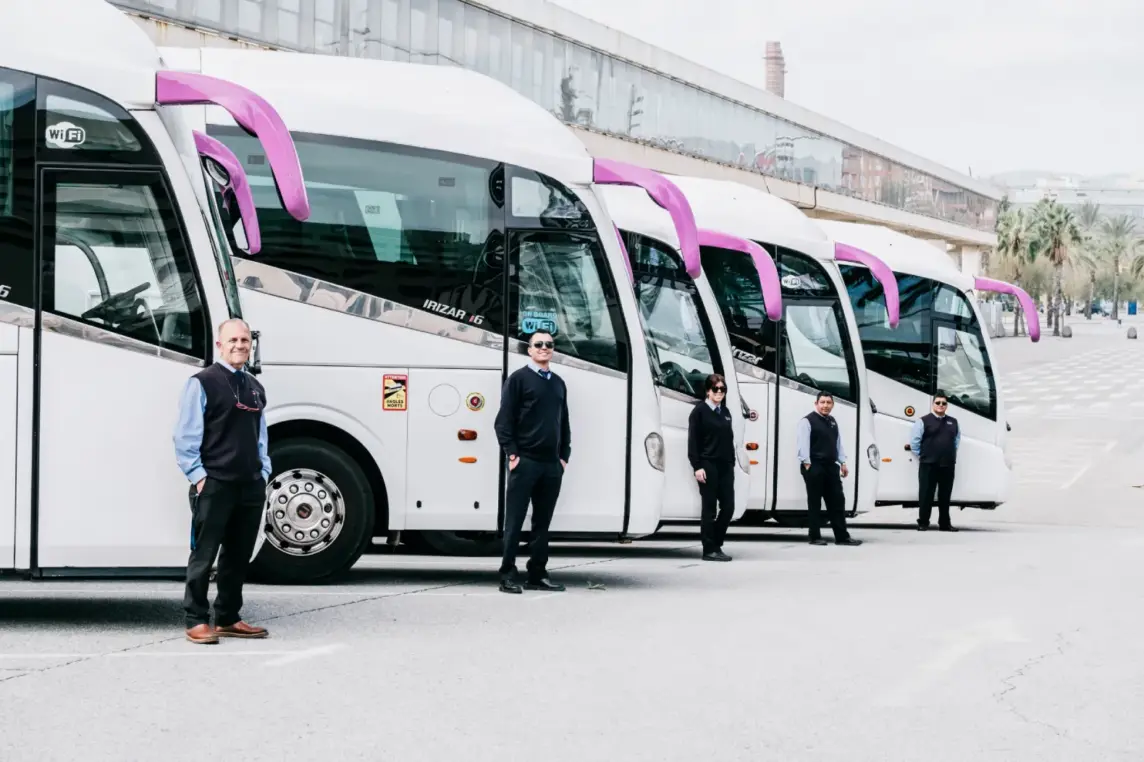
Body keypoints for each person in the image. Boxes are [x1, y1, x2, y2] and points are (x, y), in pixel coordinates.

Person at [173, 318, 271, 644]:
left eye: (245, 340)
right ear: (220, 345)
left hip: (250, 484)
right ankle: (196, 619)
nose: (240, 345)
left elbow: (261, 437)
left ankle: (228, 616)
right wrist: (200, 479)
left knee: (237, 556)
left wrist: (264, 473)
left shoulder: (255, 388)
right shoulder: (202, 383)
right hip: (215, 484)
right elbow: (185, 437)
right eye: (233, 340)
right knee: (204, 555)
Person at [493, 330, 571, 594]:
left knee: (542, 522)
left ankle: (537, 573)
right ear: (529, 350)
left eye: (548, 345)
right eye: (538, 344)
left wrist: (564, 457)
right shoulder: (518, 380)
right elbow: (503, 422)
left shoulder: (558, 383)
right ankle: (507, 575)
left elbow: (565, 422)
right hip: (524, 461)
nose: (544, 348)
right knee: (514, 521)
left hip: (551, 465)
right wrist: (513, 454)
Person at [796, 391, 862, 547]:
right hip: (814, 465)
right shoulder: (807, 421)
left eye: (828, 403)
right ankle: (814, 536)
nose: (825, 405)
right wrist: (807, 464)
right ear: (816, 404)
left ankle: (842, 537)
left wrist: (843, 462)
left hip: (831, 466)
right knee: (815, 502)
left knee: (837, 501)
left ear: (832, 405)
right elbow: (802, 444)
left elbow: (838, 443)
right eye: (822, 402)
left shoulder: (832, 421)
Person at [687, 373, 736, 561]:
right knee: (709, 508)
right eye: (716, 389)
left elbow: (729, 440)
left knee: (729, 506)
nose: (719, 393)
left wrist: (731, 462)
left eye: (723, 389)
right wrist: (697, 466)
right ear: (708, 391)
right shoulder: (699, 412)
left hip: (725, 465)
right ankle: (709, 549)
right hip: (707, 464)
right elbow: (693, 442)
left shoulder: (726, 412)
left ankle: (716, 542)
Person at [911, 391, 960, 532]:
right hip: (928, 464)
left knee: (945, 495)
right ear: (933, 404)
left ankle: (945, 524)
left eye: (943, 403)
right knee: (926, 494)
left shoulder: (953, 422)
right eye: (938, 403)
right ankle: (923, 522)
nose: (940, 405)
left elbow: (956, 441)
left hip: (948, 464)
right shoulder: (923, 421)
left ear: (947, 406)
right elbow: (915, 442)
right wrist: (924, 455)